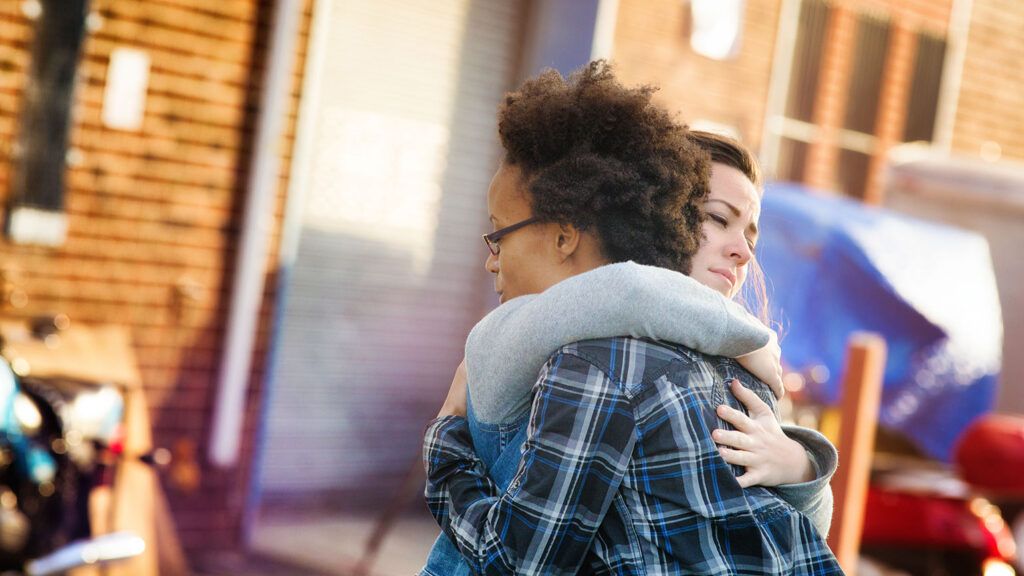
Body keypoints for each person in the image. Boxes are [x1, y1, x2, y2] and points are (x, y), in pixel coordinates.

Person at [423, 61, 842, 574]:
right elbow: (625, 288)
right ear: (659, 210)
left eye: (751, 234)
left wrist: (799, 464)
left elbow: (521, 560)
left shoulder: (647, 361)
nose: (743, 253)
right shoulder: (668, 339)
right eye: (715, 218)